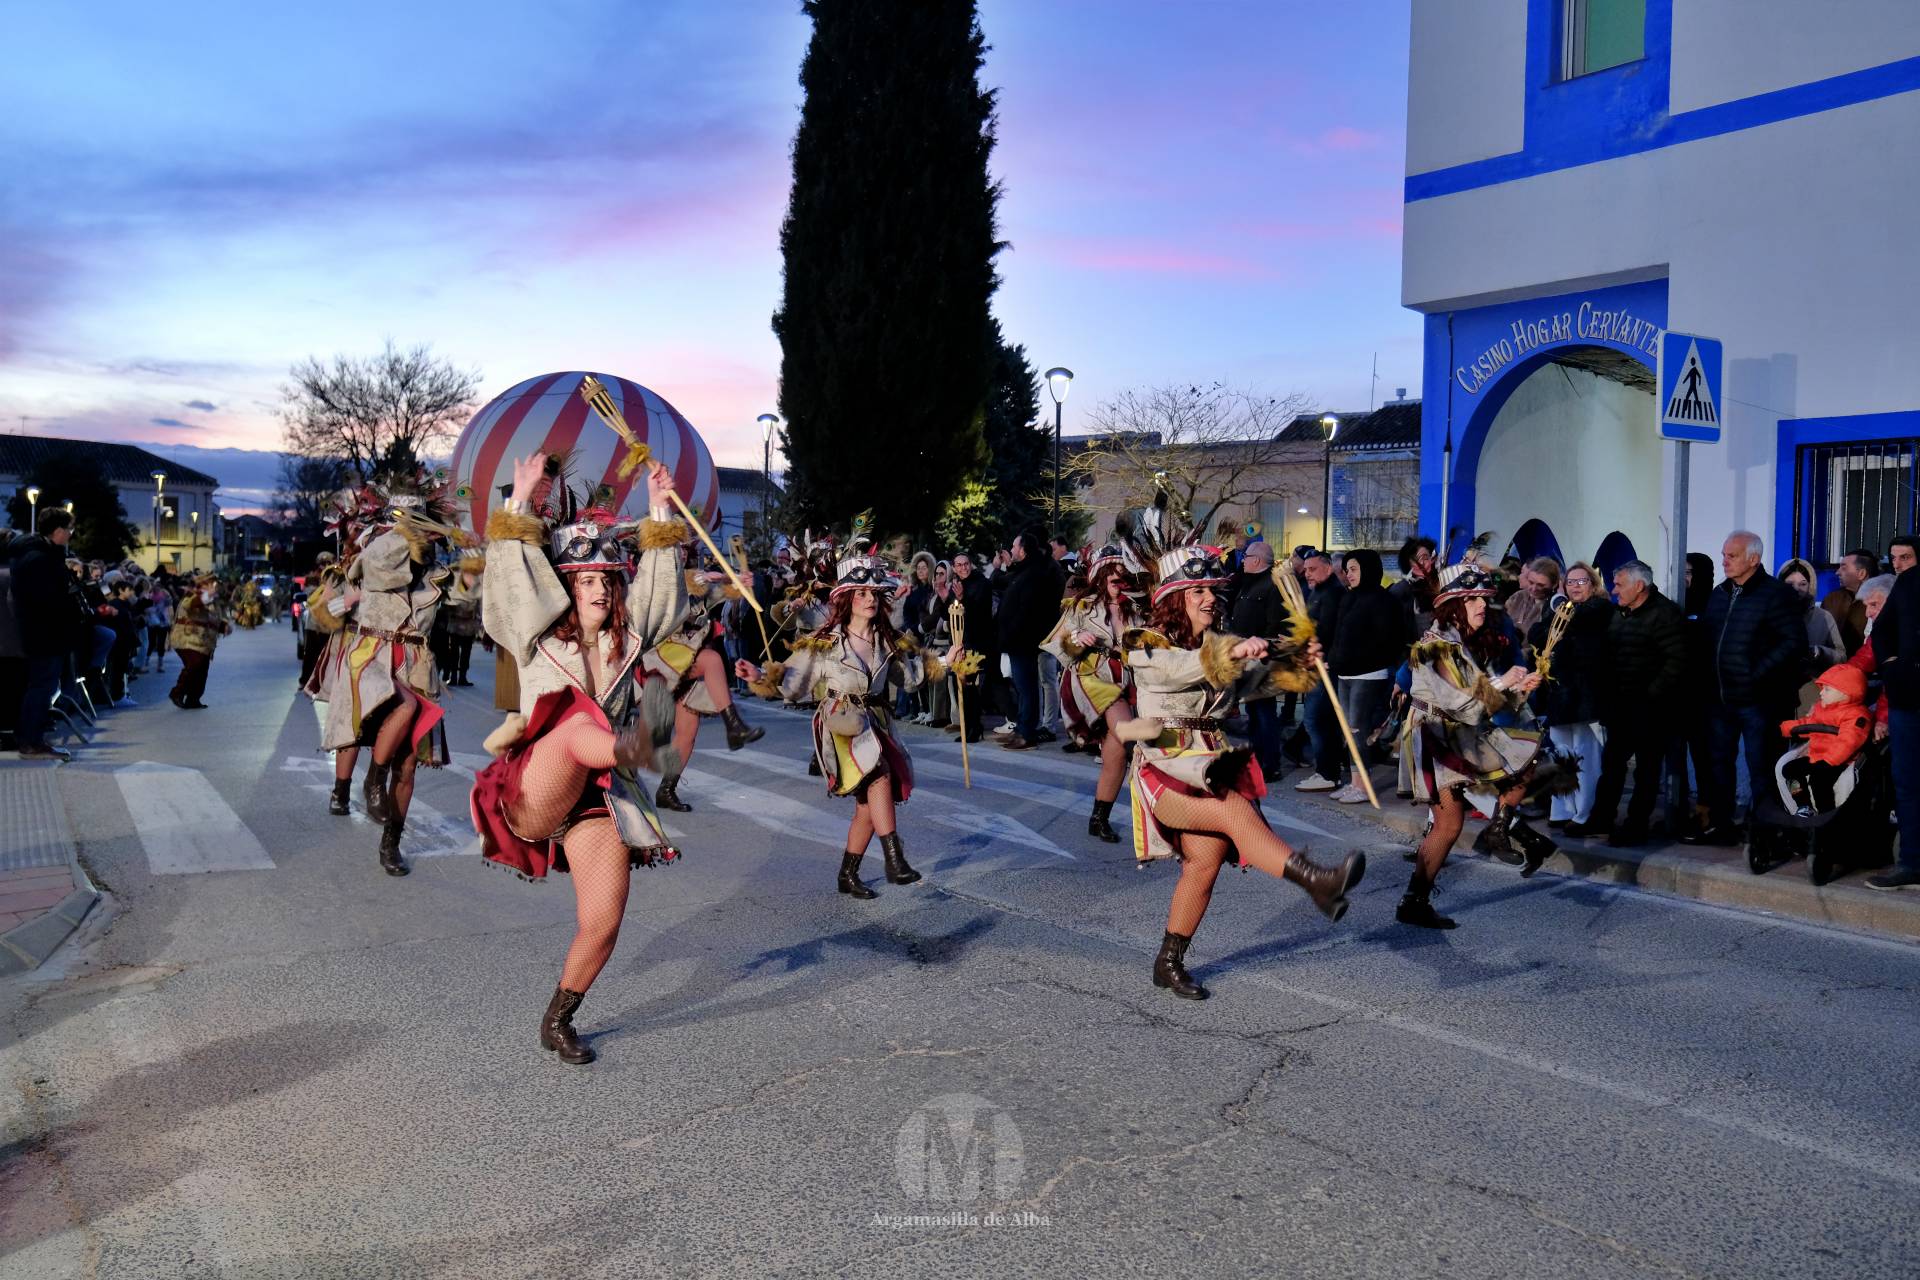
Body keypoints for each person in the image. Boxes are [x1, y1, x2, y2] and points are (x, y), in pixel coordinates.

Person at [469, 453, 688, 1064]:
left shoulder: (628, 640)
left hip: (599, 798)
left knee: (604, 921)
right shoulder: (535, 637)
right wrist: (521, 503)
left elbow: (662, 596)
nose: (599, 589)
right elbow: (510, 585)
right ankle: (641, 745)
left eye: (607, 580)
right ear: (563, 587)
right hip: (536, 787)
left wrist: (661, 511)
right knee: (569, 728)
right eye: (584, 580)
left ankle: (559, 1017)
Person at [1118, 523, 1360, 1000]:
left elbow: (1256, 684)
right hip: (1166, 768)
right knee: (1235, 810)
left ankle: (1168, 961)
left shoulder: (1216, 643)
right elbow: (1176, 673)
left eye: (1212, 589)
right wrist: (1231, 651)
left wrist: (1299, 663)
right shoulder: (1144, 644)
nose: (1210, 598)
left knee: (1203, 865)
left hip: (1207, 761)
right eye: (1198, 591)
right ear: (1174, 598)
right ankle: (1315, 881)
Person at [743, 551, 956, 900]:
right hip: (842, 724)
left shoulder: (887, 640)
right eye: (861, 593)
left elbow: (912, 677)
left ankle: (847, 874)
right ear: (846, 598)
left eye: (874, 593)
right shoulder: (825, 642)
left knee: (868, 810)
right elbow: (793, 682)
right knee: (880, 775)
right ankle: (895, 859)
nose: (870, 599)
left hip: (877, 722)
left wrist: (948, 661)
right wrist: (761, 675)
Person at [1397, 562, 1558, 929]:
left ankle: (1501, 829)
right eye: (1472, 599)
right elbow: (1465, 705)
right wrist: (1503, 684)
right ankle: (1415, 900)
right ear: (1454, 603)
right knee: (1449, 825)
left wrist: (1517, 690)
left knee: (1524, 757)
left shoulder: (1457, 642)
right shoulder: (1437, 646)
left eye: (1484, 598)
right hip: (1435, 736)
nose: (1482, 605)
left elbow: (1480, 704)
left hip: (1456, 732)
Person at [320, 484, 459, 875]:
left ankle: (390, 842)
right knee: (383, 717)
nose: (421, 532)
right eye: (412, 522)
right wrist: (404, 531)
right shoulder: (378, 550)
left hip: (414, 664)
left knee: (410, 763)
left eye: (424, 523)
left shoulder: (437, 572)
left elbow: (470, 600)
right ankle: (360, 784)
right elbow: (373, 570)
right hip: (372, 657)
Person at [1684, 532, 1803, 847]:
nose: (1724, 561)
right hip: (1721, 699)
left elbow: (1792, 643)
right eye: (1723, 555)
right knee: (1718, 764)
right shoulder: (1719, 594)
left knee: (1761, 765)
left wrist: (1755, 674)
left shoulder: (1777, 594)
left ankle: (1765, 831)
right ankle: (1722, 826)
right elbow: (1710, 639)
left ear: (1753, 559)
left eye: (1732, 556)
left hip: (1759, 701)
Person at [645, 560, 765, 813]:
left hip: (684, 661)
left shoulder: (696, 590)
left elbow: (717, 594)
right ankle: (734, 725)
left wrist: (738, 583)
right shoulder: (660, 581)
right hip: (661, 660)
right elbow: (686, 584)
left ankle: (666, 789)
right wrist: (714, 577)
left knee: (687, 732)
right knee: (711, 660)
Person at [1042, 542, 1143, 842]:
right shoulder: (1082, 607)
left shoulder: (1136, 607)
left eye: (1123, 574)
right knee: (1128, 733)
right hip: (1092, 678)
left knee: (1116, 753)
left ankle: (1099, 819)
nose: (1119, 579)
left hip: (1126, 679)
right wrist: (1076, 637)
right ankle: (1160, 812)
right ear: (1100, 576)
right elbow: (1058, 642)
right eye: (1113, 575)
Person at [1590, 560, 1684, 845]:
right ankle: (1601, 819)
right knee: (1613, 764)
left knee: (1647, 769)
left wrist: (1650, 694)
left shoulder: (1664, 614)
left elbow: (1677, 660)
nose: (1613, 590)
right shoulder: (1621, 613)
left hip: (1651, 708)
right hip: (1620, 705)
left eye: (1619, 584)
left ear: (1639, 586)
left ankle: (1636, 824)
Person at [1529, 561, 1612, 835]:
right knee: (1562, 753)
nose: (1575, 587)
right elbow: (1537, 633)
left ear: (1593, 584)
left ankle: (1584, 812)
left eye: (1581, 581)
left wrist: (1561, 619)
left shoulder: (1599, 608)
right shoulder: (1560, 609)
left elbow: (1576, 621)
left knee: (1585, 756)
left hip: (1586, 694)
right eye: (1571, 582)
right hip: (1561, 693)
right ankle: (1562, 808)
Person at [1327, 548, 1408, 803]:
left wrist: (1355, 658)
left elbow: (1387, 641)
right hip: (1345, 674)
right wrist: (1333, 659)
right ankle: (1354, 781)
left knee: (1358, 730)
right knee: (1348, 732)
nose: (1348, 575)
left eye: (1353, 569)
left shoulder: (1382, 601)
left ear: (1367, 569)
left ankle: (1363, 785)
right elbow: (1339, 634)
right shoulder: (1349, 598)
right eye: (1346, 570)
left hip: (1368, 674)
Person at [7, 509, 83, 761]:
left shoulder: (33, 555)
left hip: (42, 632)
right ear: (58, 530)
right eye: (69, 530)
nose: (71, 535)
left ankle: (30, 737)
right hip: (45, 633)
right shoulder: (39, 559)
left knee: (41, 685)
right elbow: (48, 600)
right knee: (42, 686)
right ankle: (31, 741)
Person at [1865, 549, 1920, 890]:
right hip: (1907, 699)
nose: (1898, 562)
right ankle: (1912, 862)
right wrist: (1892, 666)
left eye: (1905, 556)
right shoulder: (1908, 583)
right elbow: (1882, 632)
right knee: (1908, 783)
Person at [994, 527, 1064, 751]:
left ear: (1023, 550)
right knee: (1022, 686)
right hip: (1016, 641)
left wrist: (1012, 630)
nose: (1012, 549)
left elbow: (1027, 611)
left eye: (1015, 546)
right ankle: (1022, 728)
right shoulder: (1023, 570)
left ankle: (1027, 732)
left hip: (1023, 641)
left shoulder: (1034, 573)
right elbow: (1003, 584)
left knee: (1028, 687)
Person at [1227, 540, 1287, 780]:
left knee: (1264, 714)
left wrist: (1264, 651)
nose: (1243, 560)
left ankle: (1269, 764)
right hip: (1247, 659)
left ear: (1258, 561)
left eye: (1247, 556)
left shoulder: (1273, 586)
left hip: (1262, 661)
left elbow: (1276, 624)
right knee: (1253, 713)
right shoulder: (1247, 584)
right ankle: (1256, 761)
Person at [1777, 665, 1871, 814]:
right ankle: (1803, 805)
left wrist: (1829, 761)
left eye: (1827, 689)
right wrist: (1786, 728)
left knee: (1819, 780)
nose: (1821, 693)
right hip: (1817, 756)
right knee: (1789, 769)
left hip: (1838, 760)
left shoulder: (1856, 715)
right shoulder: (1822, 708)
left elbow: (1849, 742)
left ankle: (1825, 812)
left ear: (1846, 692)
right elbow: (1809, 724)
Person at [1292, 552, 1347, 793]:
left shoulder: (1333, 594)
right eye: (1306, 569)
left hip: (1325, 667)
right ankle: (1327, 769)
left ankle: (1326, 771)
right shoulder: (1319, 592)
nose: (1307, 573)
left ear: (1327, 569)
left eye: (1313, 569)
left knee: (1317, 720)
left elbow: (1324, 631)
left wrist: (1308, 643)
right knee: (1319, 720)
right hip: (1316, 665)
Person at [947, 550, 994, 743]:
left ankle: (975, 728)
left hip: (977, 643)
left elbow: (980, 613)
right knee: (962, 687)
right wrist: (946, 597)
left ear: (970, 564)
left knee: (970, 687)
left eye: (965, 563)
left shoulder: (982, 583)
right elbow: (950, 615)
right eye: (959, 565)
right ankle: (968, 727)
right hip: (960, 644)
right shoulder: (955, 585)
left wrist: (962, 597)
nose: (963, 568)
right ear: (954, 568)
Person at [168, 574, 230, 710]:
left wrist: (223, 627)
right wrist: (207, 595)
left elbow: (213, 620)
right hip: (187, 639)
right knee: (194, 664)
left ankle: (193, 699)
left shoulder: (213, 601)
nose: (215, 588)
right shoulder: (192, 595)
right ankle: (177, 693)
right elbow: (191, 605)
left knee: (202, 670)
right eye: (211, 585)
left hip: (204, 642)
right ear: (203, 585)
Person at [1779, 557, 1846, 673]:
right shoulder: (1769, 613)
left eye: (1803, 584)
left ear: (1810, 586)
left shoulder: (1824, 617)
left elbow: (1841, 657)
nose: (1796, 589)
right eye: (1790, 584)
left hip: (1811, 682)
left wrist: (1819, 652)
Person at [1822, 550, 1875, 657]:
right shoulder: (1832, 599)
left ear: (1862, 573)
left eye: (1844, 567)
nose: (1837, 572)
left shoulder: (1877, 601)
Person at [1504, 556, 1561, 638]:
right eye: (1531, 582)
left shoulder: (1553, 609)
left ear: (1554, 584)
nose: (1533, 589)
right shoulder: (1518, 596)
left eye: (1541, 585)